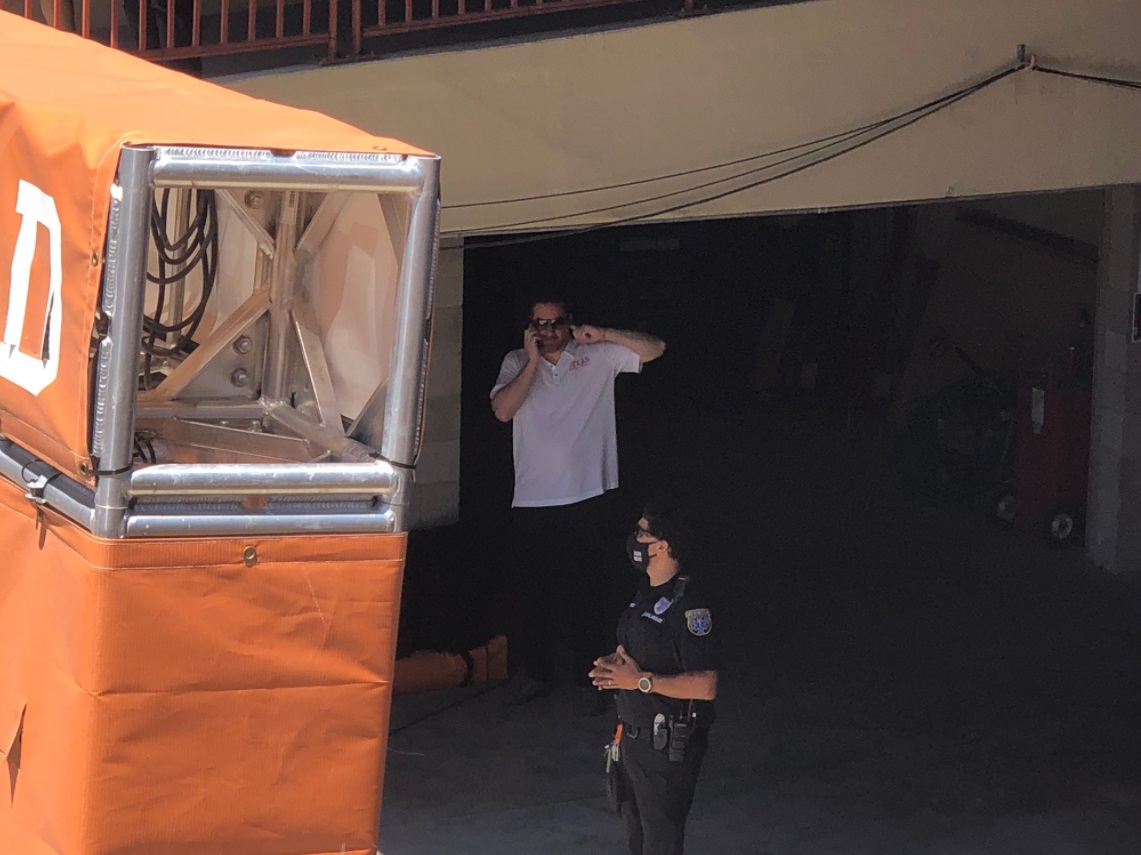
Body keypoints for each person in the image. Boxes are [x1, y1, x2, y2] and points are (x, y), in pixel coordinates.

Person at [491, 297, 665, 712]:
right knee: (534, 594)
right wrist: (533, 362)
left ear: (569, 324)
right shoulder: (516, 361)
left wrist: (604, 335)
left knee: (590, 593)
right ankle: (534, 674)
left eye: (556, 323)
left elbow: (654, 349)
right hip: (533, 497)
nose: (548, 330)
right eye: (540, 324)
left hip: (590, 493)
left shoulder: (596, 354)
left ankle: (593, 682)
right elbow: (502, 411)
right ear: (530, 327)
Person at [589, 498, 718, 855]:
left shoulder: (690, 605)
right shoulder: (645, 594)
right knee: (637, 841)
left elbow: (706, 685)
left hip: (665, 748)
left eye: (642, 532)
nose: (635, 539)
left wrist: (641, 681)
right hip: (632, 738)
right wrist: (613, 668)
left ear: (662, 545)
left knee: (661, 843)